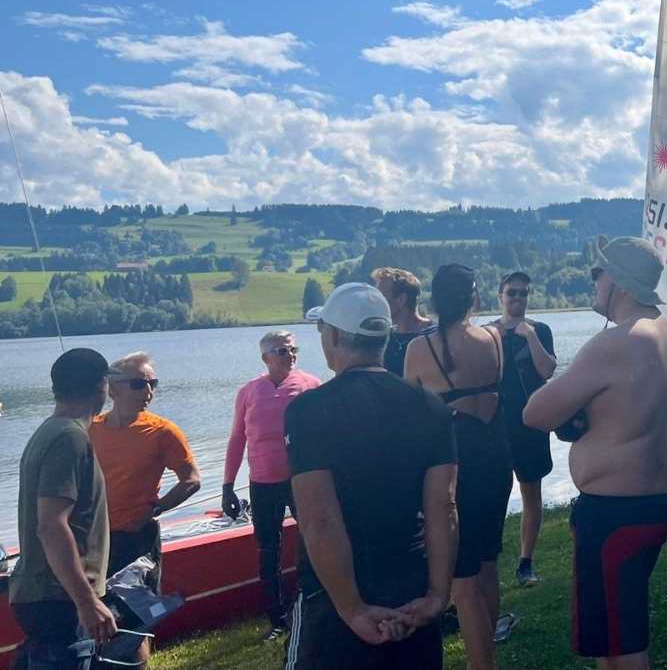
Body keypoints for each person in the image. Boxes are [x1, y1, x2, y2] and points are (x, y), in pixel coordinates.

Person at [523, 236, 667, 670]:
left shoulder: (617, 342)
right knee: (613, 639)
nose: (593, 281)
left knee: (624, 644)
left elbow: (535, 413)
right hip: (656, 500)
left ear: (619, 283)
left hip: (616, 512)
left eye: (598, 273)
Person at [287, 282, 457, 669]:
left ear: (332, 336)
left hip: (335, 595)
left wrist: (353, 609)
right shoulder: (430, 406)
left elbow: (320, 519)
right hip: (411, 591)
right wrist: (437, 595)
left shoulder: (309, 411)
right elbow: (443, 508)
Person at [406, 264, 513, 668]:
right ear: (473, 298)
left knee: (462, 576)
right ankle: (485, 653)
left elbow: (410, 418)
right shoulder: (493, 337)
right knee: (487, 561)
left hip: (456, 460)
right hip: (496, 454)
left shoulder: (422, 348)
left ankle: (482, 664)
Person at [90, 351, 200, 668]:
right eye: (139, 384)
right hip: (97, 542)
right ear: (112, 388)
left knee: (135, 619)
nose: (148, 391)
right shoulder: (90, 428)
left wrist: (156, 509)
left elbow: (191, 480)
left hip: (136, 539)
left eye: (153, 383)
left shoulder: (162, 431)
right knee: (98, 614)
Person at [11, 348, 117, 668]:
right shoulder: (69, 438)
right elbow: (51, 525)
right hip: (58, 597)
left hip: (49, 594)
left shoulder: (51, 430)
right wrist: (85, 601)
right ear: (103, 386)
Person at [222, 330, 321, 640]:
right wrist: (227, 485)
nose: (289, 355)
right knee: (268, 551)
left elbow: (326, 431)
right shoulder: (249, 392)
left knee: (314, 543)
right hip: (263, 483)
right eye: (281, 350)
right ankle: (277, 618)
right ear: (265, 357)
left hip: (301, 479)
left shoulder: (310, 385)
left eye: (293, 349)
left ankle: (313, 604)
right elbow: (238, 439)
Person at [487, 270, 556, 587]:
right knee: (492, 493)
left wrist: (529, 336)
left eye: (523, 293)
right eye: (512, 292)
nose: (517, 298)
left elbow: (547, 370)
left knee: (531, 491)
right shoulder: (486, 333)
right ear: (500, 294)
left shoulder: (539, 330)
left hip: (532, 420)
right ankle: (489, 562)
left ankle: (525, 563)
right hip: (495, 423)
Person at [371, 267, 435, 375]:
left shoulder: (434, 337)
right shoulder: (381, 339)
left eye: (381, 297)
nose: (376, 302)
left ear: (401, 300)